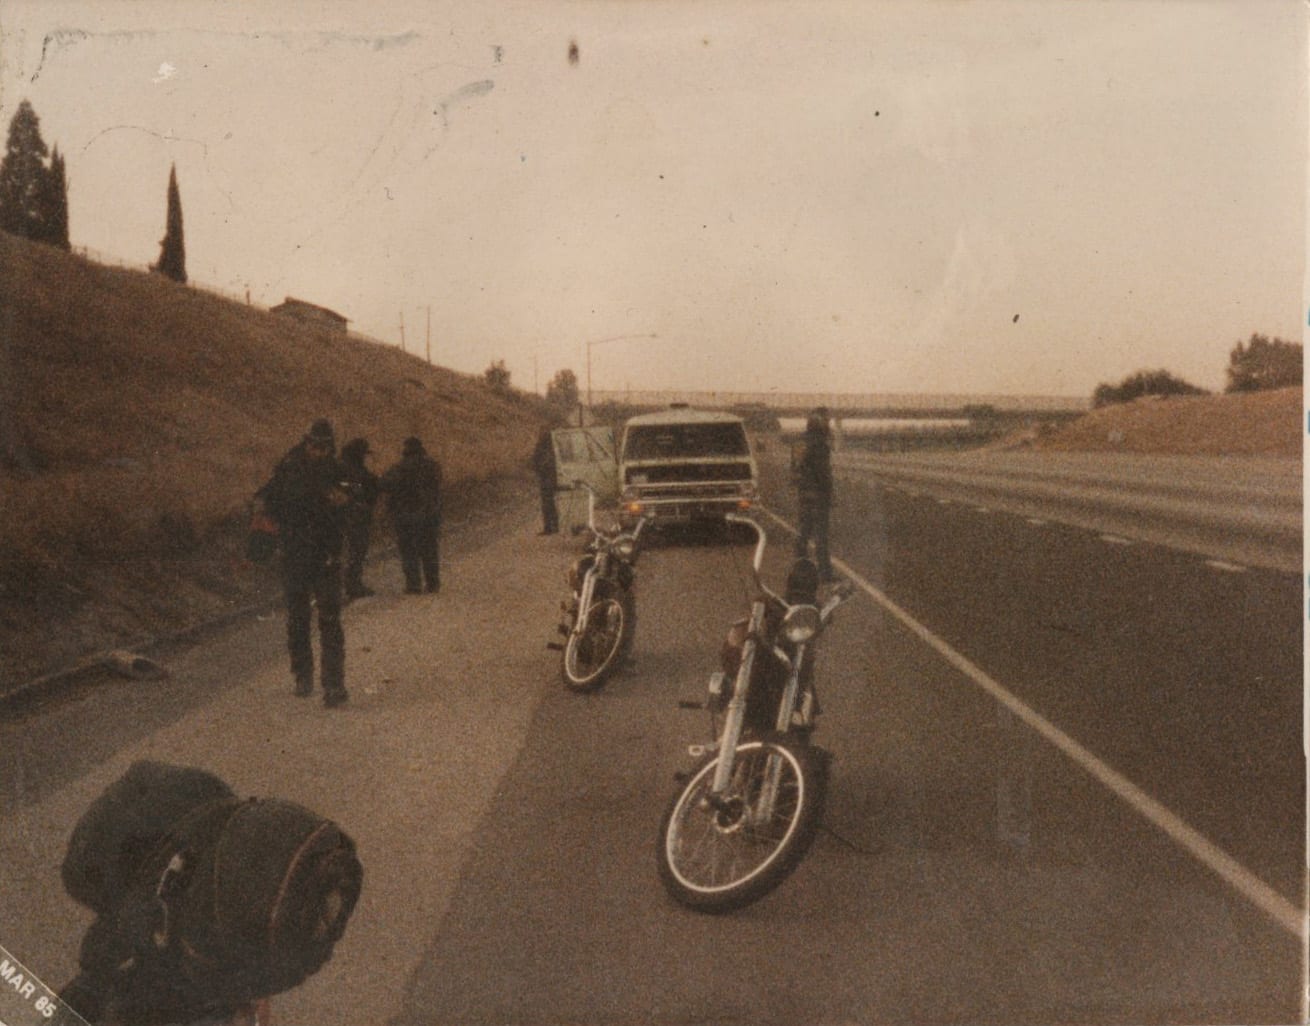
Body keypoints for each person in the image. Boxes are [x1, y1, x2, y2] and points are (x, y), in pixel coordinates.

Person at [258, 418, 350, 707]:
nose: (318, 451)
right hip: (295, 553)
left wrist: (344, 503)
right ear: (305, 442)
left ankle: (333, 686)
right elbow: (266, 500)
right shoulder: (288, 468)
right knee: (298, 619)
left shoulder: (337, 471)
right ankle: (302, 674)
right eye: (313, 445)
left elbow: (356, 505)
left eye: (323, 447)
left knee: (330, 619)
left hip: (326, 555)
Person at [381, 436, 443, 594]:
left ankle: (413, 584)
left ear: (406, 450)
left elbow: (385, 485)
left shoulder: (399, 467)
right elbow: (437, 485)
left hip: (405, 514)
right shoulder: (433, 466)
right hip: (429, 513)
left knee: (408, 549)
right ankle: (433, 582)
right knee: (429, 548)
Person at [794, 407, 835, 581]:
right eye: (827, 420)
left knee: (804, 531)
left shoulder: (799, 442)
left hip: (803, 492)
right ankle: (825, 573)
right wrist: (830, 493)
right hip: (818, 494)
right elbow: (823, 473)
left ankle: (799, 568)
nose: (829, 424)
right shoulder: (820, 444)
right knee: (821, 535)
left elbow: (794, 468)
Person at [339, 437, 379, 600]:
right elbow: (367, 487)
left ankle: (350, 584)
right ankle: (352, 585)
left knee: (351, 551)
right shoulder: (353, 470)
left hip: (346, 516)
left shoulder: (343, 466)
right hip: (354, 516)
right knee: (356, 550)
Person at [530, 427, 559, 535]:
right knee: (552, 503)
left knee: (548, 503)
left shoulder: (543, 447)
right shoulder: (553, 445)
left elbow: (536, 461)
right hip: (552, 477)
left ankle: (549, 527)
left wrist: (539, 470)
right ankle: (554, 526)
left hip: (547, 478)